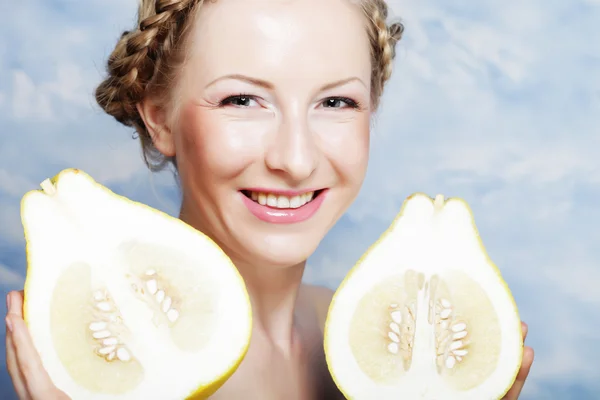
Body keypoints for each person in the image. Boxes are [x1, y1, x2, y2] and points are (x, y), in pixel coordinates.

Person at [4, 0, 535, 398]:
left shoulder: (367, 341)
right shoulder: (96, 372)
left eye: (336, 101)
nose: (296, 159)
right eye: (242, 99)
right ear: (158, 117)